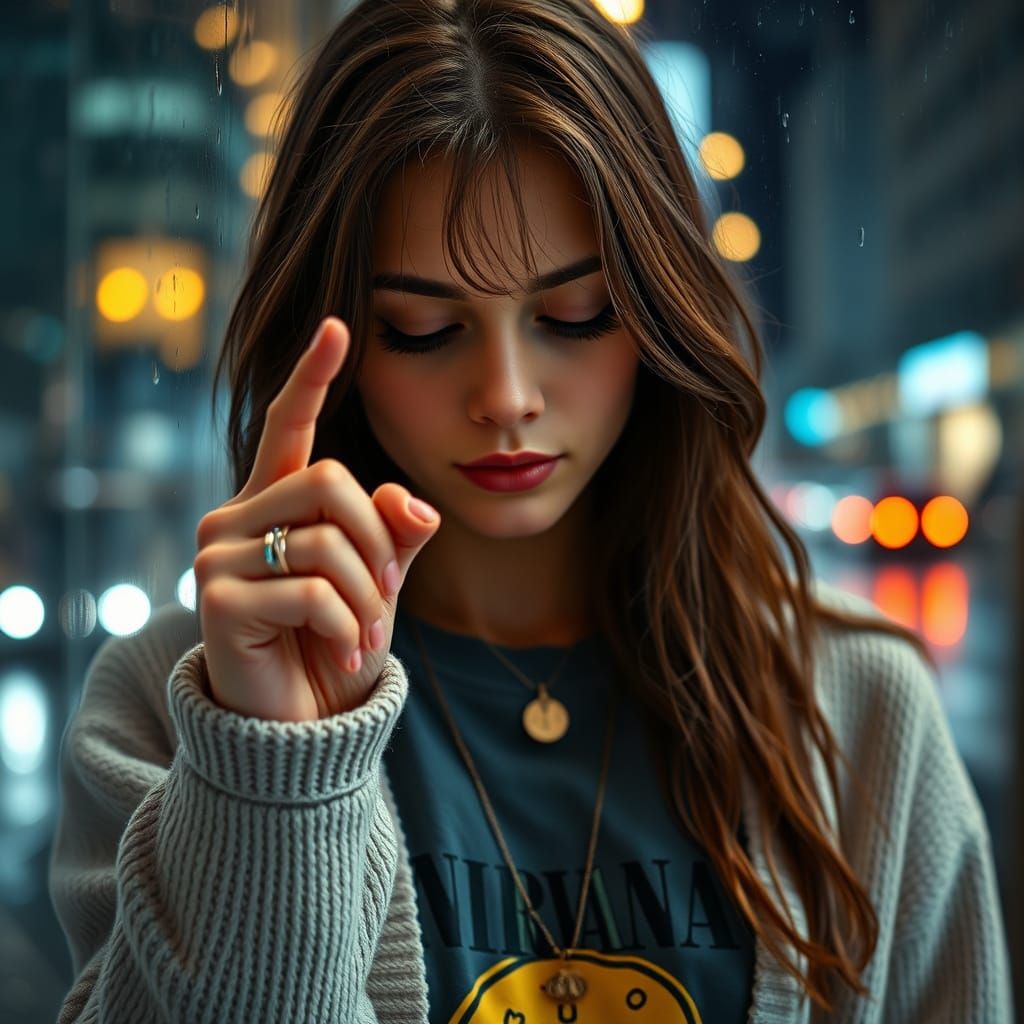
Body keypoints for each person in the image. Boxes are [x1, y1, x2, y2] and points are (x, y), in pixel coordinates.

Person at [48, 0, 1014, 1021]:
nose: (506, 393)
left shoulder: (858, 714)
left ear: (655, 314)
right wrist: (271, 773)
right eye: (423, 326)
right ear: (336, 345)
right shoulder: (173, 706)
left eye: (574, 314)